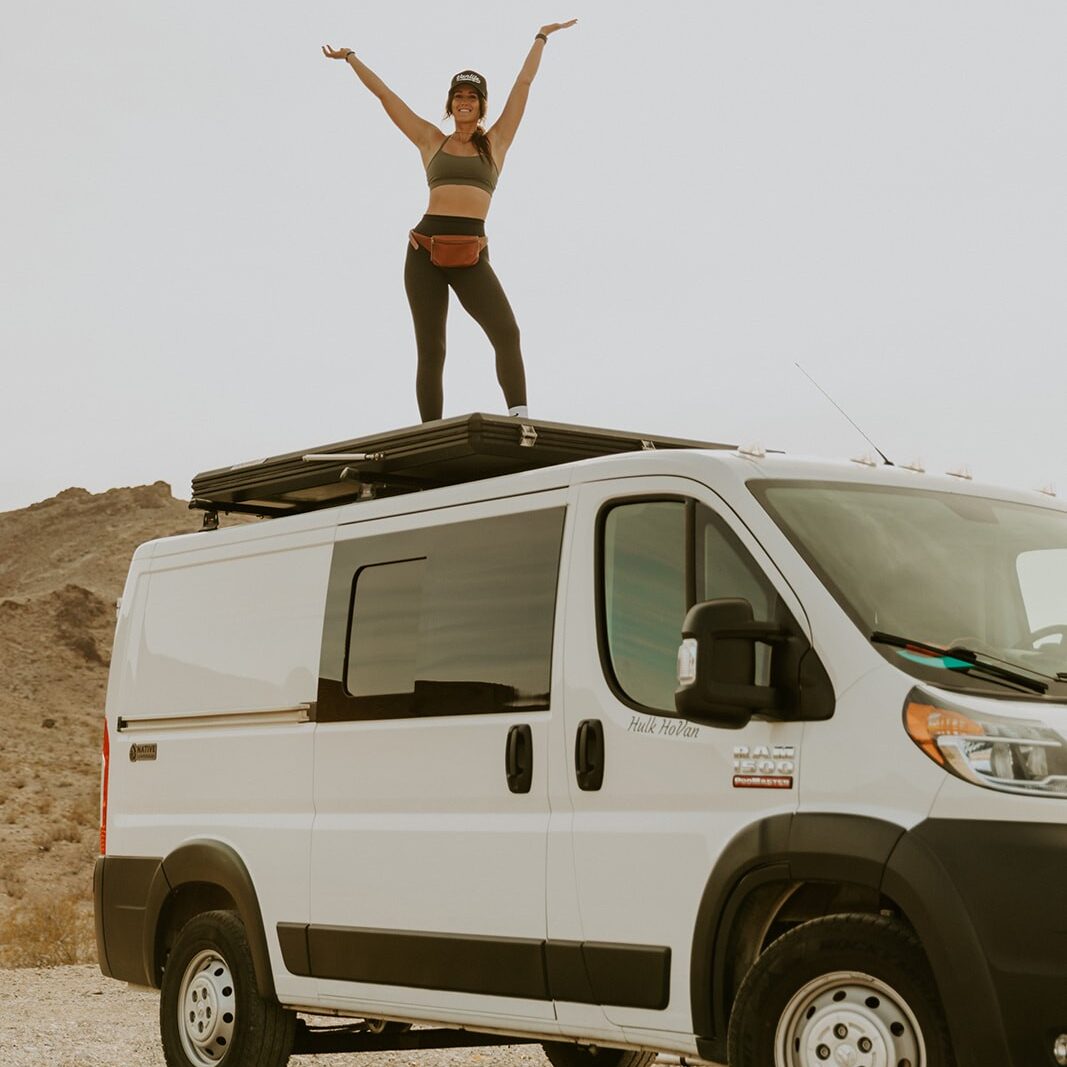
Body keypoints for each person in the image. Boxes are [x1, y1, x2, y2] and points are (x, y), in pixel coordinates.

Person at [322, 21, 577, 422]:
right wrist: (352, 58)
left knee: (507, 333)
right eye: (458, 95)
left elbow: (523, 85)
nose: (464, 101)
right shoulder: (430, 139)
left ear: (481, 105)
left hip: (471, 253)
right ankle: (431, 431)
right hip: (424, 251)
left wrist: (541, 37)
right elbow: (385, 95)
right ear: (450, 102)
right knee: (432, 348)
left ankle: (521, 419)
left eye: (472, 96)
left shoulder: (497, 142)